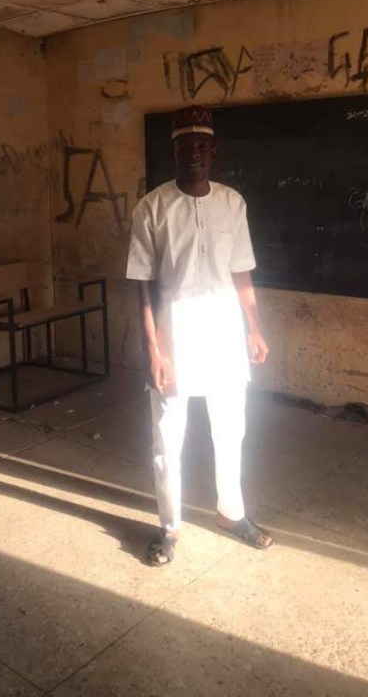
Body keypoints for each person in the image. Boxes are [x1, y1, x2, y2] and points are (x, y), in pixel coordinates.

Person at [126, 104, 273, 565]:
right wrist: (154, 349)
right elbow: (142, 286)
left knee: (231, 430)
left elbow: (242, 272)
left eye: (201, 146)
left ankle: (232, 514)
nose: (193, 154)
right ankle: (169, 528)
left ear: (214, 152)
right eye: (183, 146)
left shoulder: (233, 203)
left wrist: (254, 327)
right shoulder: (151, 208)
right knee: (169, 439)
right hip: (176, 335)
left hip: (225, 333)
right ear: (173, 153)